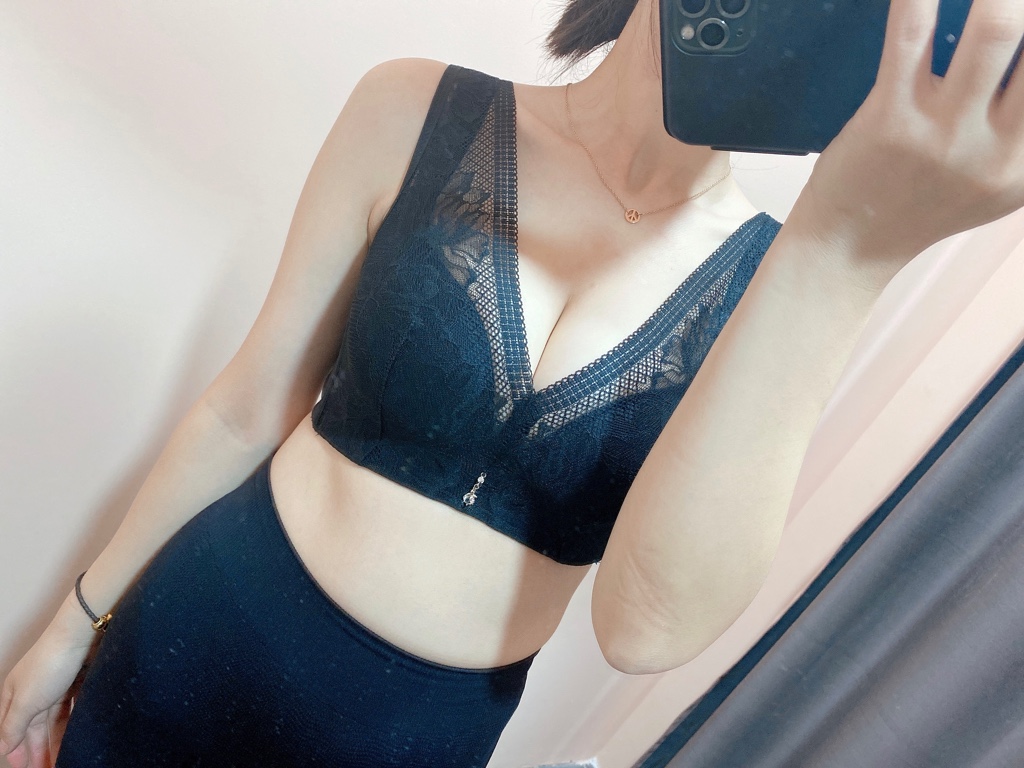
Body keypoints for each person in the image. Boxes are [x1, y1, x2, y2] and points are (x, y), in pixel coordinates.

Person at [2, 0, 1023, 765]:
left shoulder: (781, 287)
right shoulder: (413, 106)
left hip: (413, 741)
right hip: (197, 631)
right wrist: (70, 625)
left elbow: (647, 629)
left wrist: (842, 254)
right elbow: (244, 409)